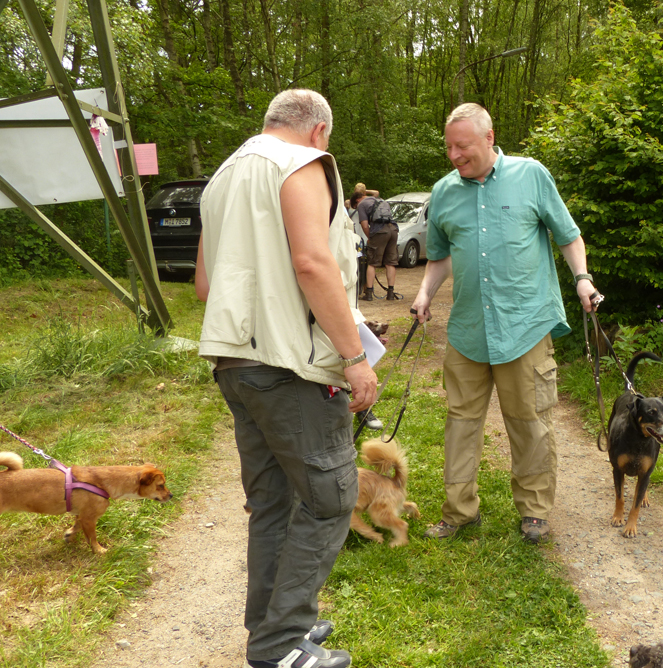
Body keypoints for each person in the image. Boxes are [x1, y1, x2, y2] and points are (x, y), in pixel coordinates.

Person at [194, 89, 377, 668]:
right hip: (291, 369)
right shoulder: (302, 163)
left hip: (235, 365)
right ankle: (281, 644)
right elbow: (312, 263)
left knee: (272, 502)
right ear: (319, 130)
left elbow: (204, 286)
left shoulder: (221, 179)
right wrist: (354, 356)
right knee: (331, 498)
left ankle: (271, 627)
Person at [410, 102, 597, 545]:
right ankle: (459, 513)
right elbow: (439, 256)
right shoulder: (443, 192)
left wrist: (582, 279)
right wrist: (424, 293)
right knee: (460, 424)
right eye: (449, 147)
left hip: (525, 325)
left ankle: (534, 512)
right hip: (468, 330)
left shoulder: (531, 175)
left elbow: (568, 235)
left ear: (489, 137)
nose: (454, 155)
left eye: (463, 146)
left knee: (529, 422)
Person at [355, 184, 402, 302]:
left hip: (379, 231)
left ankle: (369, 293)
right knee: (390, 262)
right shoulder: (378, 199)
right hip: (393, 229)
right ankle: (390, 293)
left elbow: (365, 225)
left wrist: (370, 237)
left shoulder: (361, 204)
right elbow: (376, 192)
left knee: (372, 263)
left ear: (357, 200)